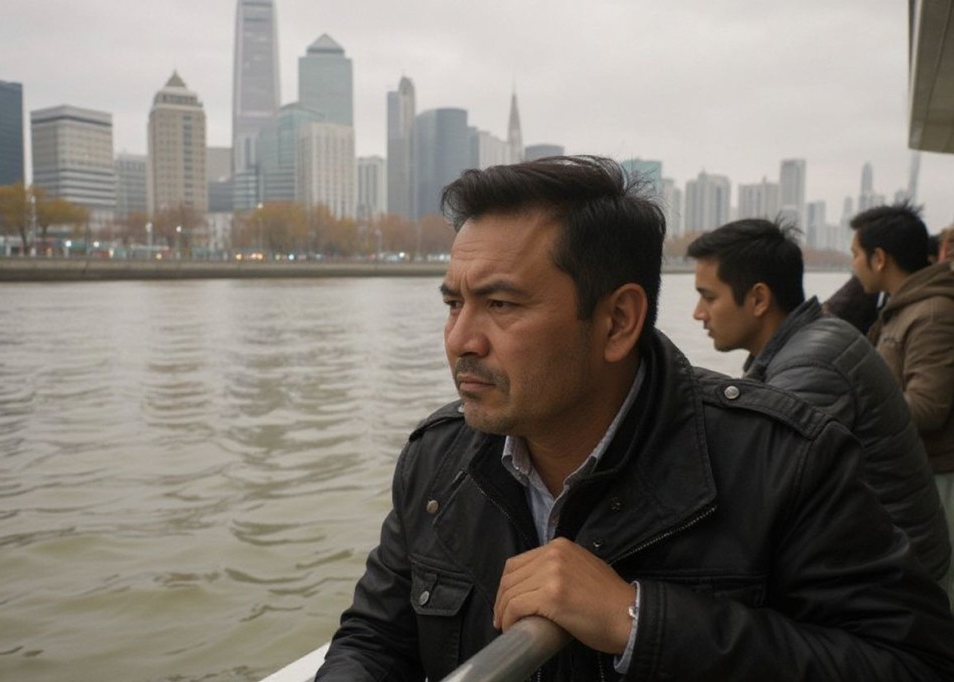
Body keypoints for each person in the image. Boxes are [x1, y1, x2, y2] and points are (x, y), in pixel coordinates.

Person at [316, 157, 954, 682]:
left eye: (501, 304)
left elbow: (911, 663)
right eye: (453, 303)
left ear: (618, 321)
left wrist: (641, 620)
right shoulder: (438, 460)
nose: (460, 340)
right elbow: (373, 640)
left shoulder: (783, 461)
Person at [686, 218, 949, 581]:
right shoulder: (813, 339)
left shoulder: (811, 366)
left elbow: (761, 492)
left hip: (899, 584)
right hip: (896, 558)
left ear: (760, 299)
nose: (698, 313)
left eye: (709, 296)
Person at [850, 202, 954, 597]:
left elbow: (928, 408)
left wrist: (857, 413)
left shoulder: (931, 314)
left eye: (856, 255)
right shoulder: (902, 309)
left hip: (939, 478)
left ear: (879, 259)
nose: (853, 265)